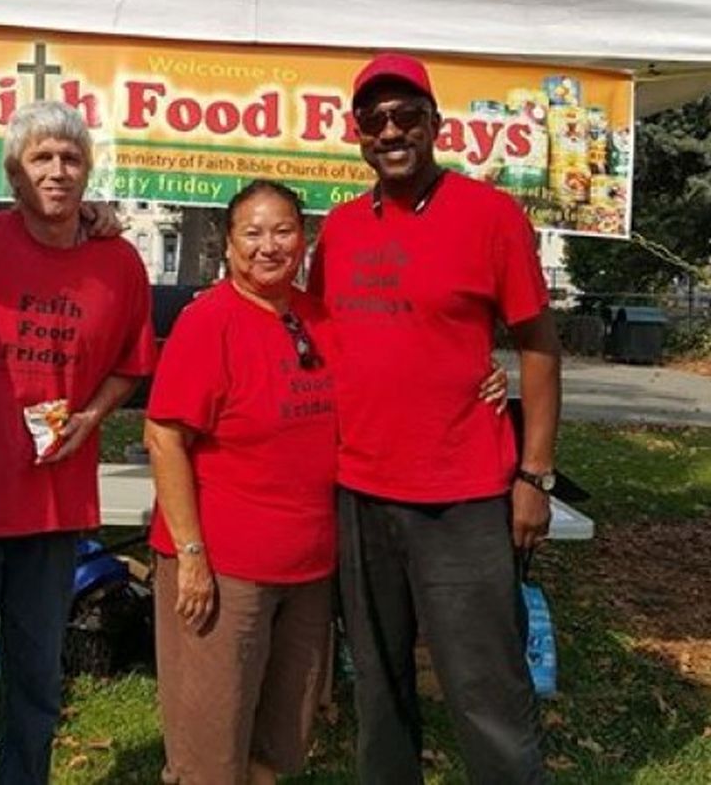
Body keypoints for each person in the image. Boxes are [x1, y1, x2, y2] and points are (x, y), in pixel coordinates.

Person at [309, 53, 562, 784]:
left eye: (406, 116)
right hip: (359, 490)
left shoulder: (491, 216)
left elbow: (539, 346)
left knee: (486, 688)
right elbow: (319, 339)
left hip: (462, 496)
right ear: (358, 135)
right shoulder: (342, 228)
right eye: (374, 120)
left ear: (435, 124)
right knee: (378, 684)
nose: (390, 131)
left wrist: (535, 474)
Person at [0, 101, 156, 785]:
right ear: (14, 173)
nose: (57, 170)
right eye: (41, 157)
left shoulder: (118, 262)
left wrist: (91, 416)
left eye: (71, 158)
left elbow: (132, 363)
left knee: (37, 675)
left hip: (53, 507)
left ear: (88, 172)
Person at [144, 180, 338, 785]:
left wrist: (482, 377)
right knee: (211, 745)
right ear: (228, 245)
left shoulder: (319, 317)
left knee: (280, 736)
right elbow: (164, 437)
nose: (268, 245)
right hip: (225, 569)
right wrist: (191, 555)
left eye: (283, 230)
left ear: (303, 239)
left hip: (309, 566)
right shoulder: (210, 321)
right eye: (252, 233)